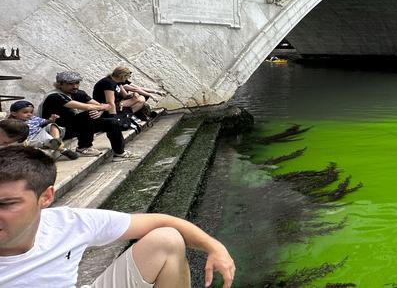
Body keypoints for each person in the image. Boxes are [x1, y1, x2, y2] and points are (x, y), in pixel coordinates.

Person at [0, 146, 236, 287]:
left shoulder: (70, 223)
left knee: (167, 239)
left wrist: (215, 247)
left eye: (6, 204)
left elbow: (163, 221)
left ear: (46, 197)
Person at [40, 71, 133, 160]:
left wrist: (99, 111)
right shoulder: (55, 96)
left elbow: (103, 106)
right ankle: (83, 147)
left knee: (112, 122)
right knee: (89, 114)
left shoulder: (78, 93)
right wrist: (99, 108)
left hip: (75, 126)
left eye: (77, 83)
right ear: (60, 84)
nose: (75, 86)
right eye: (70, 84)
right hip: (58, 129)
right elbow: (89, 107)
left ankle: (119, 153)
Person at [6, 101, 79, 160]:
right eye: (25, 112)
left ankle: (56, 140)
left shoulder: (33, 118)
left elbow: (45, 122)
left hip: (40, 133)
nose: (29, 114)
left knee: (51, 126)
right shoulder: (10, 123)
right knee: (42, 142)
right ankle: (63, 149)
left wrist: (51, 120)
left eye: (31, 112)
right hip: (29, 139)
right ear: (14, 113)